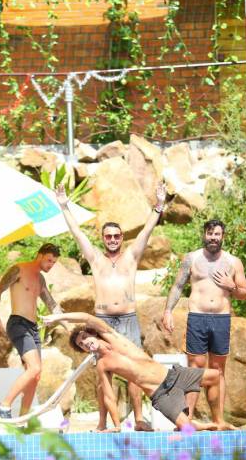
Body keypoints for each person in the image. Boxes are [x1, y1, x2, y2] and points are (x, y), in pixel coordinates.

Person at [55, 183, 167, 432]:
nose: (113, 239)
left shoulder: (131, 257)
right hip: (103, 322)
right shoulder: (96, 259)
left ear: (122, 238)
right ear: (103, 239)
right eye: (108, 236)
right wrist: (64, 206)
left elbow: (147, 231)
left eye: (116, 236)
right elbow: (78, 234)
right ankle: (103, 422)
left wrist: (159, 205)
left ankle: (139, 419)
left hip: (128, 319)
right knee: (102, 373)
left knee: (135, 371)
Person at [44, 312, 219, 432]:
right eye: (81, 345)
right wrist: (116, 425)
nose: (85, 343)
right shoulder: (103, 365)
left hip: (174, 375)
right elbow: (108, 396)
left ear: (92, 333)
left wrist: (58, 317)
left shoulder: (112, 336)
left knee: (215, 377)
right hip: (161, 395)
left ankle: (217, 420)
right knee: (186, 428)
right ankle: (192, 424)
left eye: (84, 337)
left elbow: (87, 317)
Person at [161, 219, 246, 429]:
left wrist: (231, 286)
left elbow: (244, 294)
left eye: (217, 234)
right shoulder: (192, 258)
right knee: (195, 369)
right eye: (210, 234)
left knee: (218, 370)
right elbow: (178, 286)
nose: (213, 238)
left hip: (221, 319)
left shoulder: (233, 261)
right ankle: (187, 420)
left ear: (223, 236)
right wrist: (168, 311)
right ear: (204, 235)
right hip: (197, 318)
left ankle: (218, 420)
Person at [0, 243, 63, 418]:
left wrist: (73, 324)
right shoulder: (19, 270)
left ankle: (23, 419)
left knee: (35, 376)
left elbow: (52, 305)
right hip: (18, 324)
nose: (51, 265)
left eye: (54, 262)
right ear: (40, 255)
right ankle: (4, 406)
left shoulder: (41, 279)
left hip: (33, 327)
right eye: (49, 260)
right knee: (34, 368)